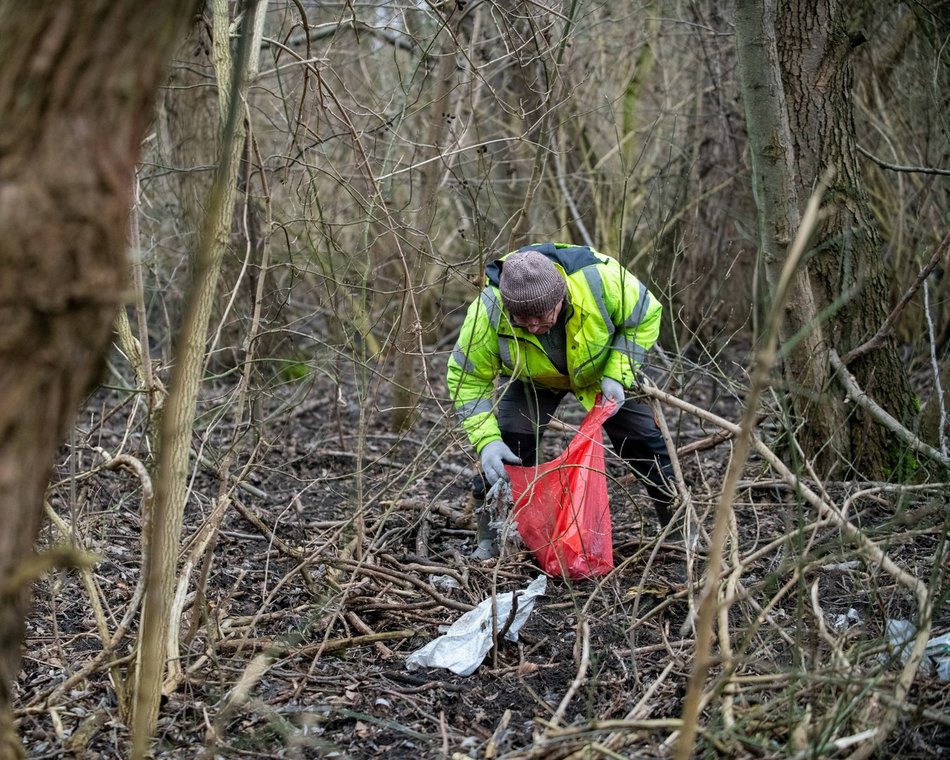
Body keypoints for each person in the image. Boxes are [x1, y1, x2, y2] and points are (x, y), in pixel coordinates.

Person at [446, 242, 676, 558]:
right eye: (521, 319)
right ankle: (491, 541)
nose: (534, 327)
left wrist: (619, 371)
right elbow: (467, 379)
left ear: (561, 296)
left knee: (645, 442)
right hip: (533, 380)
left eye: (541, 316)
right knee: (509, 451)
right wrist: (486, 442)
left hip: (602, 368)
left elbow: (646, 313)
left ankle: (678, 528)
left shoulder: (599, 280)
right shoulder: (488, 310)